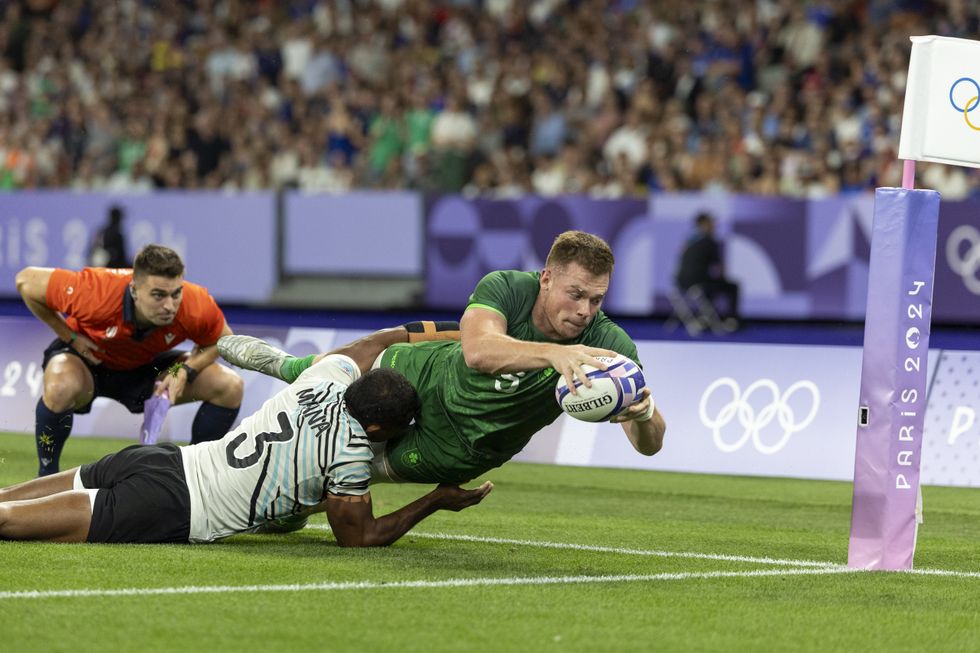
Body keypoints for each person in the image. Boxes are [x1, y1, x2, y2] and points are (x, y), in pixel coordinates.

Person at [219, 231, 666, 486]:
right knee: (340, 368)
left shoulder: (608, 345)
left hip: (460, 446)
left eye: (597, 299)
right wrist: (554, 354)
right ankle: (283, 365)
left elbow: (649, 444)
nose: (585, 311)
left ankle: (288, 499)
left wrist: (644, 414)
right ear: (547, 278)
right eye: (576, 294)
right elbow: (477, 352)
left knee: (326, 476)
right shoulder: (508, 287)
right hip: (426, 374)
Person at [0, 357, 492, 544]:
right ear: (378, 426)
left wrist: (427, 333)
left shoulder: (326, 379)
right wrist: (435, 499)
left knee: (8, 499)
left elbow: (375, 341)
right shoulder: (350, 454)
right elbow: (358, 537)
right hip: (175, 505)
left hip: (165, 458)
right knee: (6, 521)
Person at [15, 244, 244, 477]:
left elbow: (224, 340)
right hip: (88, 361)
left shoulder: (195, 303)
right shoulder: (95, 291)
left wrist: (185, 369)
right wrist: (70, 337)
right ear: (134, 290)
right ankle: (47, 475)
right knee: (60, 387)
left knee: (229, 386)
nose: (169, 305)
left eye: (176, 294)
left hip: (149, 366)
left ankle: (195, 477)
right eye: (158, 295)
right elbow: (26, 281)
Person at [675, 212, 740, 327]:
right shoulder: (709, 241)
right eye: (711, 222)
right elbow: (719, 269)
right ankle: (731, 320)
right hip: (698, 283)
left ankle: (704, 317)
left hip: (681, 282)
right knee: (731, 286)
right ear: (704, 224)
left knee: (711, 285)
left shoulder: (689, 241)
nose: (714, 225)